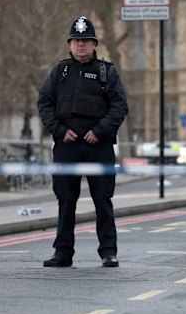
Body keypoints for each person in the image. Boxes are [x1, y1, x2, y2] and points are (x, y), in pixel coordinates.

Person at [37, 16, 128, 267]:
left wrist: (99, 131)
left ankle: (109, 252)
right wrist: (58, 130)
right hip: (66, 145)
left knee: (103, 200)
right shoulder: (59, 72)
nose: (80, 45)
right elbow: (44, 103)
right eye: (76, 41)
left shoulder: (106, 72)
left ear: (94, 44)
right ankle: (63, 252)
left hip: (98, 145)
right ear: (69, 43)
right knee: (66, 200)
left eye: (85, 41)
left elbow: (119, 106)